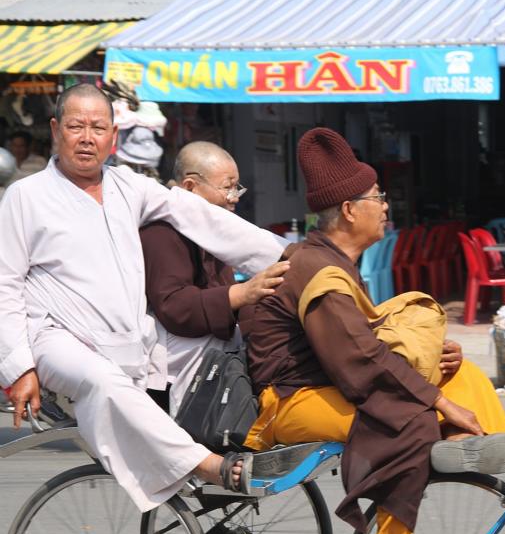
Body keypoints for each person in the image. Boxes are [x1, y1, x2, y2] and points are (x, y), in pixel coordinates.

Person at [244, 127, 505, 534]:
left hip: (329, 382)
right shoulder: (317, 270)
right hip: (291, 402)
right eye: (379, 197)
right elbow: (359, 362)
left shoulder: (332, 260)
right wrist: (436, 399)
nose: (387, 205)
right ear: (351, 210)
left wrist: (438, 364)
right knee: (410, 417)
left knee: (464, 374)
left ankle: (460, 445)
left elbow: (360, 345)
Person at [0, 84, 294, 511]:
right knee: (103, 382)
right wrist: (19, 366)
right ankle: (207, 465)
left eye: (97, 127)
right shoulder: (25, 197)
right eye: (76, 126)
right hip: (53, 336)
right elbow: (4, 283)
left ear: (113, 136)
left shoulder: (128, 186)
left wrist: (284, 254)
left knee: (197, 357)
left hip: (126, 341)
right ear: (55, 129)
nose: (87, 137)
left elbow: (197, 214)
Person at [141, 141, 289, 415]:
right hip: (173, 361)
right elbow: (174, 305)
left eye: (237, 187)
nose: (235, 196)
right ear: (189, 187)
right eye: (227, 187)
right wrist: (242, 294)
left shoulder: (214, 230)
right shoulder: (162, 230)